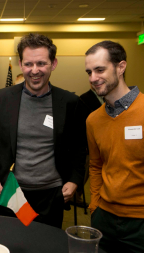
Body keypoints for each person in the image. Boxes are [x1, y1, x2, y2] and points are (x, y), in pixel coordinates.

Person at [0, 33, 86, 228]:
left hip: (52, 194)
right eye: (29, 64)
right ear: (21, 64)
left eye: (41, 63)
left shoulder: (70, 102)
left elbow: (79, 147)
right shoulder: (3, 98)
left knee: (44, 246)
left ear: (53, 64)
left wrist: (75, 180)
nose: (34, 70)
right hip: (11, 191)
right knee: (8, 244)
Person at [85, 40, 144, 252]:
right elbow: (95, 165)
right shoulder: (93, 120)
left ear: (121, 67)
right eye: (89, 72)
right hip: (104, 219)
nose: (93, 78)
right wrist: (95, 206)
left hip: (140, 223)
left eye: (100, 70)